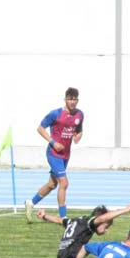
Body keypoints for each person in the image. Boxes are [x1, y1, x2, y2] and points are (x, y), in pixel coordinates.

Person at [24, 87, 84, 222]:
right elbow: (40, 128)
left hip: (65, 155)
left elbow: (79, 130)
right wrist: (53, 142)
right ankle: (63, 218)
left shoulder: (79, 115)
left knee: (52, 184)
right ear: (65, 99)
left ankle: (30, 203)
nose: (72, 102)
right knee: (64, 182)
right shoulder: (55, 114)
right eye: (70, 99)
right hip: (53, 153)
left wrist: (78, 136)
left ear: (77, 100)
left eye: (75, 99)